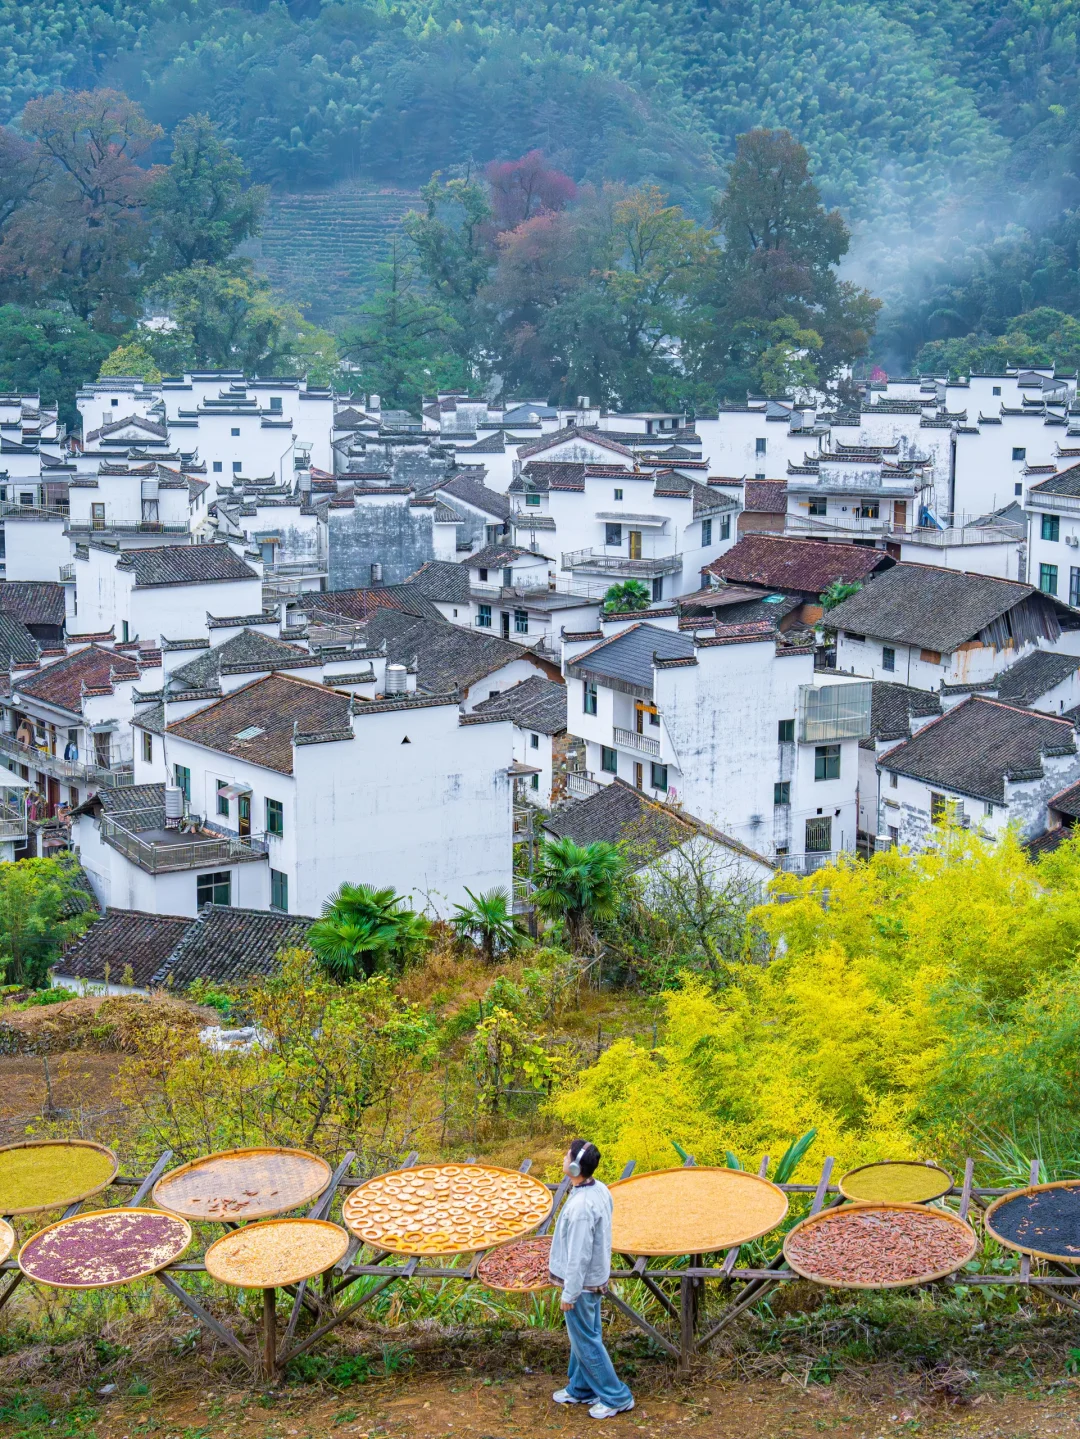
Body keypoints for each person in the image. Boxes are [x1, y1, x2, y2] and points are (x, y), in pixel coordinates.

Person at [549, 1138, 634, 1420]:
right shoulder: (598, 1189)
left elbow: (579, 1256)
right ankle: (581, 1388)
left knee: (586, 1341)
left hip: (582, 1286)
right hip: (594, 1279)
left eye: (566, 1155)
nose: (563, 1158)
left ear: (574, 1166)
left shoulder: (581, 1208)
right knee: (583, 1336)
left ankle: (616, 1396)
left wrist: (568, 1294)